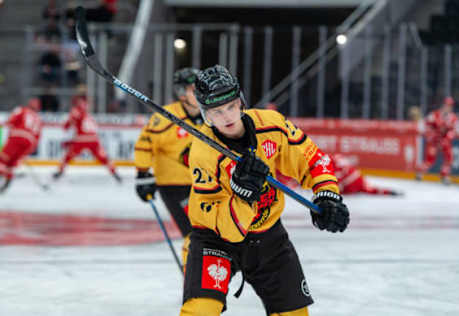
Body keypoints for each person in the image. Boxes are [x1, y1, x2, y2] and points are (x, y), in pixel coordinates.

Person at [180, 65, 350, 315]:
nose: (226, 117)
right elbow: (223, 225)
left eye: (230, 106)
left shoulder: (271, 125)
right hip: (217, 240)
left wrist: (326, 194)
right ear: (206, 115)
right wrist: (242, 195)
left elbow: (312, 159)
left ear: (240, 102)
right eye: (217, 112)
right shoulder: (203, 151)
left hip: (268, 237)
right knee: (200, 311)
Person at [134, 68, 202, 267]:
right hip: (176, 186)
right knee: (195, 233)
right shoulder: (166, 116)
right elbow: (145, 143)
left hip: (205, 185)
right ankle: (194, 276)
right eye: (194, 89)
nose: (200, 93)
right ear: (181, 93)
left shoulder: (211, 115)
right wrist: (143, 173)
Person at [52, 94, 121, 182]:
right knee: (103, 158)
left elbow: (68, 124)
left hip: (81, 139)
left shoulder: (76, 110)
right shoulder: (87, 113)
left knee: (67, 156)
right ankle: (114, 172)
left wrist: (66, 127)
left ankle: (60, 172)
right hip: (94, 139)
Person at [0, 98, 42, 193]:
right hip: (29, 143)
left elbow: (10, 121)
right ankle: (7, 179)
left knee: (2, 160)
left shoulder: (22, 110)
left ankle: (9, 175)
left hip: (17, 137)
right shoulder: (39, 119)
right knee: (11, 164)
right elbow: (38, 137)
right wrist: (29, 149)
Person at [416, 96, 458, 184]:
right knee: (430, 159)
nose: (448, 107)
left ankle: (444, 175)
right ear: (443, 105)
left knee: (449, 157)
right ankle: (420, 172)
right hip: (434, 141)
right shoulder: (434, 115)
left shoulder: (453, 118)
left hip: (445, 141)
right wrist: (431, 136)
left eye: (450, 106)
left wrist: (447, 139)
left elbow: (454, 130)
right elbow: (426, 125)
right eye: (447, 105)